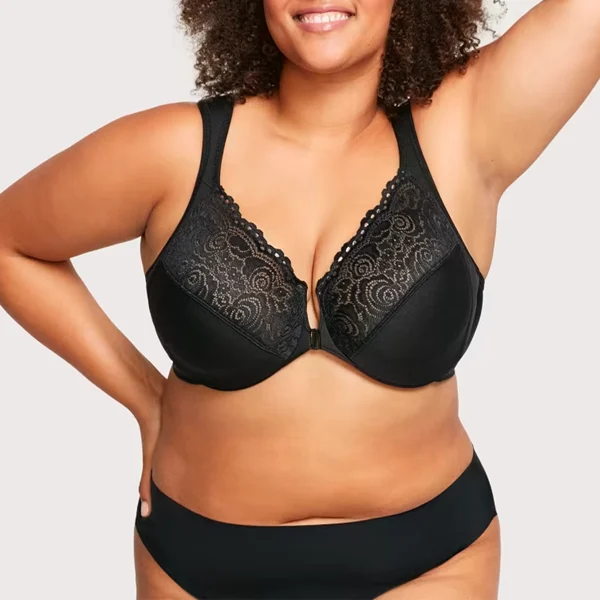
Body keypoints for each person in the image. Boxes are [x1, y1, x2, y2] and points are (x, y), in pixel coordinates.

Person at [0, 1, 598, 598]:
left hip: (430, 562)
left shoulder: (467, 126)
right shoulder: (171, 150)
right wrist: (145, 399)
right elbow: (10, 243)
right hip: (195, 564)